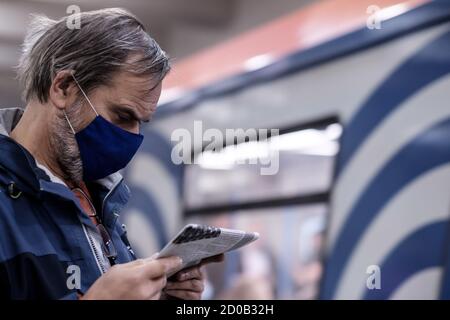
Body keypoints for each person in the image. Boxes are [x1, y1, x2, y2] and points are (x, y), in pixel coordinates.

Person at [0, 8, 223, 300]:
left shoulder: (100, 199)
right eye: (122, 115)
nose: (131, 136)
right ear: (64, 88)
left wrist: (158, 292)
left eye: (140, 122)